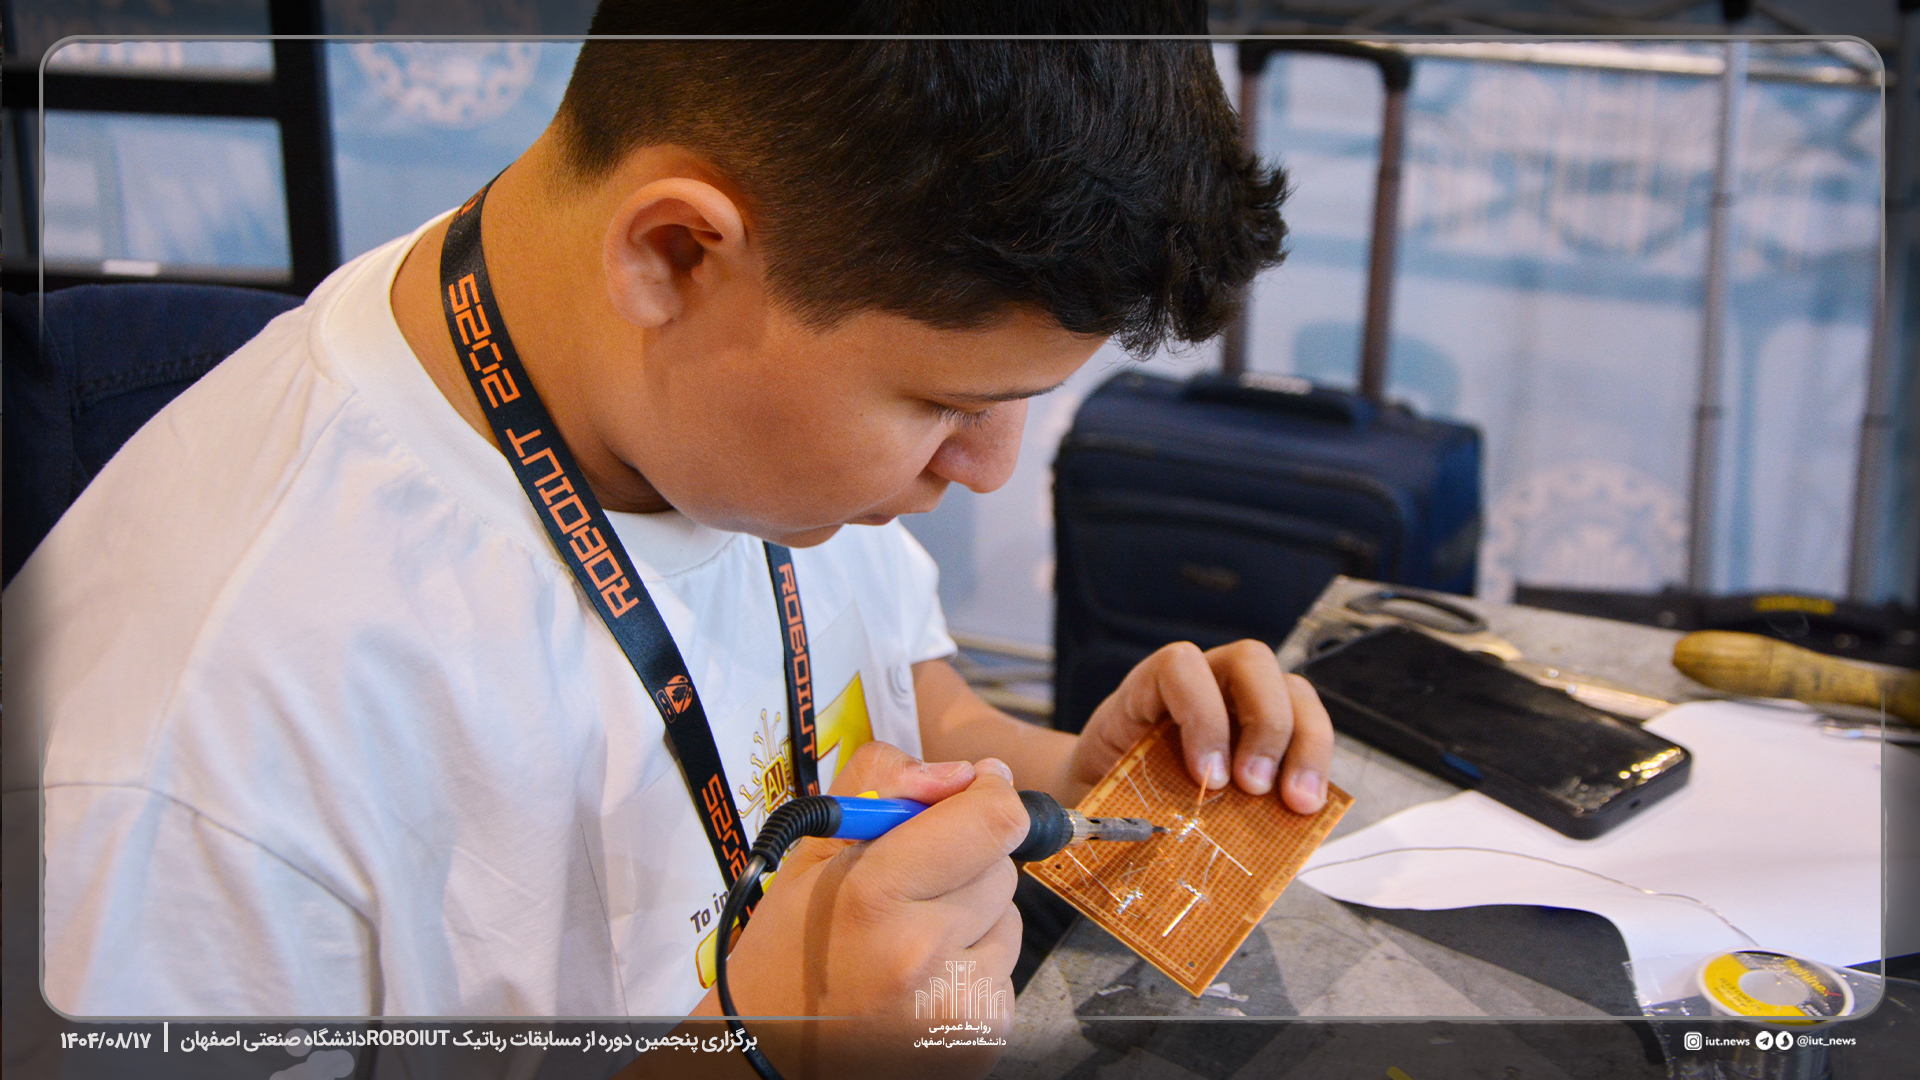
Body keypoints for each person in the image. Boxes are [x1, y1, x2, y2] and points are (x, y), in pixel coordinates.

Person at [19, 0, 1331, 1044]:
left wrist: (1068, 783)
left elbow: (897, 704)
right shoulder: (194, 763)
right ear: (674, 255)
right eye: (950, 404)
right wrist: (760, 1051)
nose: (989, 471)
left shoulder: (709, 385)